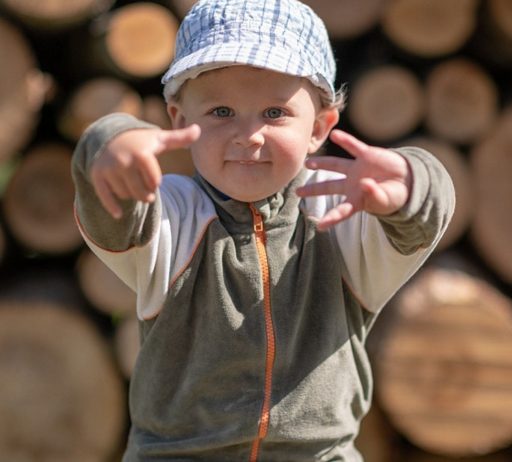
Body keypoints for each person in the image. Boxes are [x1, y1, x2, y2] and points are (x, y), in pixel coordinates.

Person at [71, 0, 455, 460]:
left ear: (320, 128)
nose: (248, 135)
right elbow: (112, 215)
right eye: (221, 112)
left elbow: (423, 217)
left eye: (274, 113)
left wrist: (412, 182)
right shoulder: (173, 216)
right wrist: (110, 143)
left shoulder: (343, 216)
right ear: (178, 119)